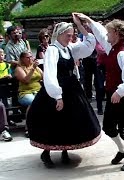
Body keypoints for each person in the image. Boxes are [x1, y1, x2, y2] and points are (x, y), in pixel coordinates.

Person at [26, 14, 101, 168]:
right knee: (52, 121)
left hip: (71, 88)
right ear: (59, 35)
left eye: (72, 35)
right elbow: (50, 74)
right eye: (68, 35)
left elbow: (89, 44)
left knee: (70, 121)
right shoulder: (53, 50)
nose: (70, 38)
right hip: (55, 90)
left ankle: (65, 150)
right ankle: (46, 153)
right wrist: (57, 96)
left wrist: (80, 26)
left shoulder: (69, 48)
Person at [76, 13, 124, 171]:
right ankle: (123, 150)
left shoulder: (123, 54)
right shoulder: (111, 47)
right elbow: (100, 33)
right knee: (108, 127)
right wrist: (87, 20)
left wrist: (120, 92)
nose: (106, 34)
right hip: (113, 95)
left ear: (116, 34)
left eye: (109, 32)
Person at [15, 51, 43, 137]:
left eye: (31, 57)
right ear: (22, 59)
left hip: (38, 91)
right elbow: (26, 80)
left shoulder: (36, 67)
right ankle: (28, 128)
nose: (31, 58)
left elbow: (43, 77)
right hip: (25, 93)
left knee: (49, 100)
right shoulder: (19, 69)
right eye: (28, 57)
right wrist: (33, 69)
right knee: (33, 102)